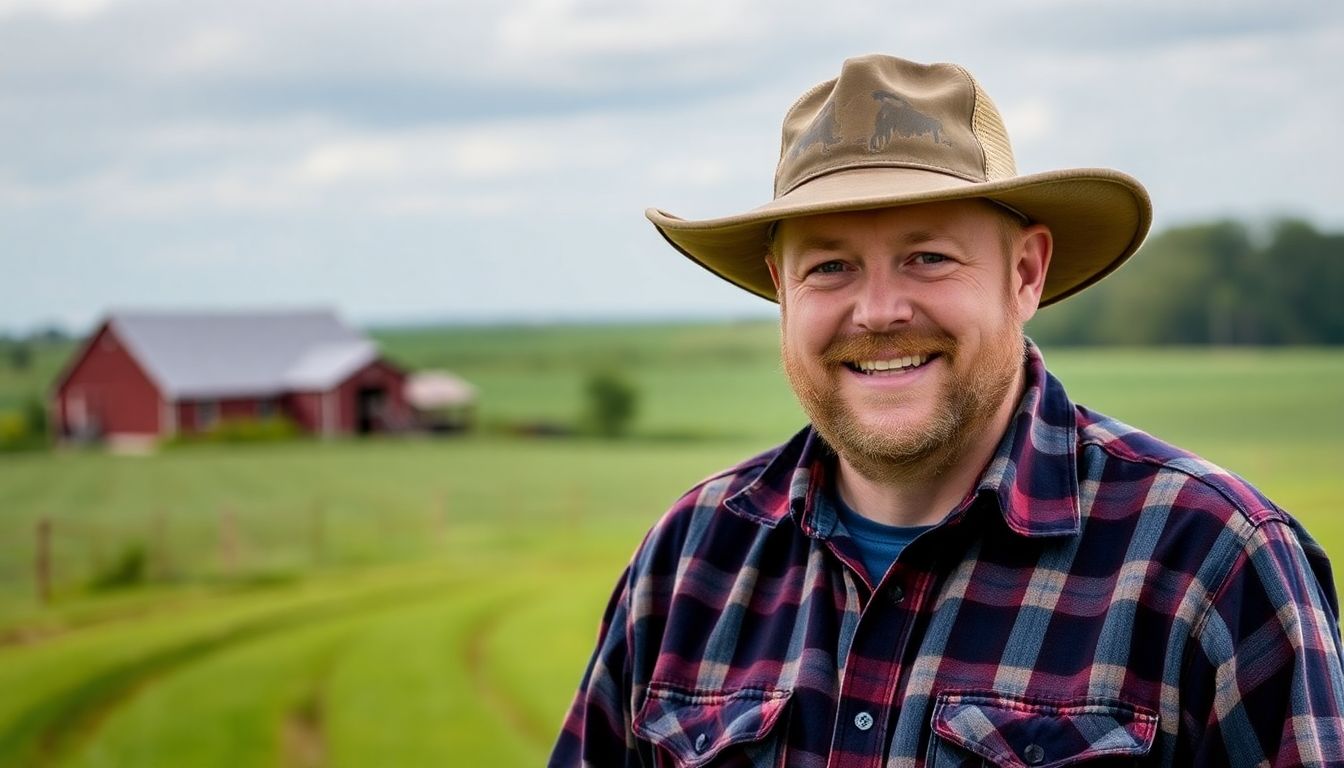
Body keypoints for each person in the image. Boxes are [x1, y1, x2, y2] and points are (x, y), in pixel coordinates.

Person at [549, 54, 1344, 767]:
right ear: (783, 290)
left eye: (927, 257)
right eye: (829, 267)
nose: (878, 311)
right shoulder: (689, 560)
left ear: (1025, 274)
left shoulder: (1211, 563)